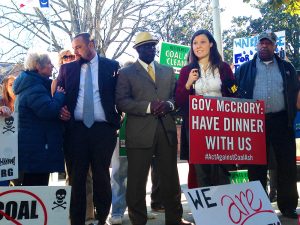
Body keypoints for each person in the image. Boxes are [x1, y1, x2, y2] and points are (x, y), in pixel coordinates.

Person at [116, 31, 193, 225]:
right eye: (146, 46)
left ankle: (175, 219)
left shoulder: (167, 71)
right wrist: (148, 107)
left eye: (153, 46)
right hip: (139, 133)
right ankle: (138, 220)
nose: (151, 49)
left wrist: (169, 105)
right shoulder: (126, 73)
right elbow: (122, 102)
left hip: (165, 131)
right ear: (137, 49)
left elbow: (177, 98)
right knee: (136, 181)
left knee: (171, 179)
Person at [57, 32, 120, 225]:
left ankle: (102, 219)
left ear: (91, 44)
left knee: (102, 178)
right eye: (73, 48)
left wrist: (117, 120)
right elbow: (58, 96)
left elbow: (120, 94)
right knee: (77, 179)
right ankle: (77, 221)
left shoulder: (112, 66)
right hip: (76, 131)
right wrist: (61, 110)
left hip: (103, 131)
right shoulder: (66, 69)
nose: (75, 52)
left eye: (79, 47)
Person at [235, 30, 299, 219]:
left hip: (281, 121)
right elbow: (235, 94)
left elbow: (295, 94)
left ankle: (288, 207)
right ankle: (258, 209)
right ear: (256, 45)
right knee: (256, 166)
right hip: (254, 122)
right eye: (261, 43)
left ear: (274, 46)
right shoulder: (244, 68)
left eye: (268, 43)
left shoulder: (287, 68)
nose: (264, 46)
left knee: (286, 165)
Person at [176, 29, 237, 188]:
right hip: (197, 126)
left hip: (222, 125)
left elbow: (234, 95)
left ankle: (224, 206)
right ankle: (205, 210)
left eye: (202, 42)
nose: (198, 46)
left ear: (211, 44)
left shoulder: (223, 68)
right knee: (200, 169)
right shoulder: (186, 71)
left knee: (222, 167)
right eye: (195, 43)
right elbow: (180, 102)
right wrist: (188, 83)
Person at [12, 51, 65, 186]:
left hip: (33, 147)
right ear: (37, 66)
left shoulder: (30, 85)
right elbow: (48, 110)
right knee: (36, 189)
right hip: (37, 150)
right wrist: (59, 95)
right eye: (48, 63)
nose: (52, 66)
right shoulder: (34, 87)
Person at [0, 75, 16, 186]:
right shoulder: (1, 101)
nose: (14, 87)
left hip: (19, 148)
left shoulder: (24, 102)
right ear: (5, 88)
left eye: (16, 84)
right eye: (10, 85)